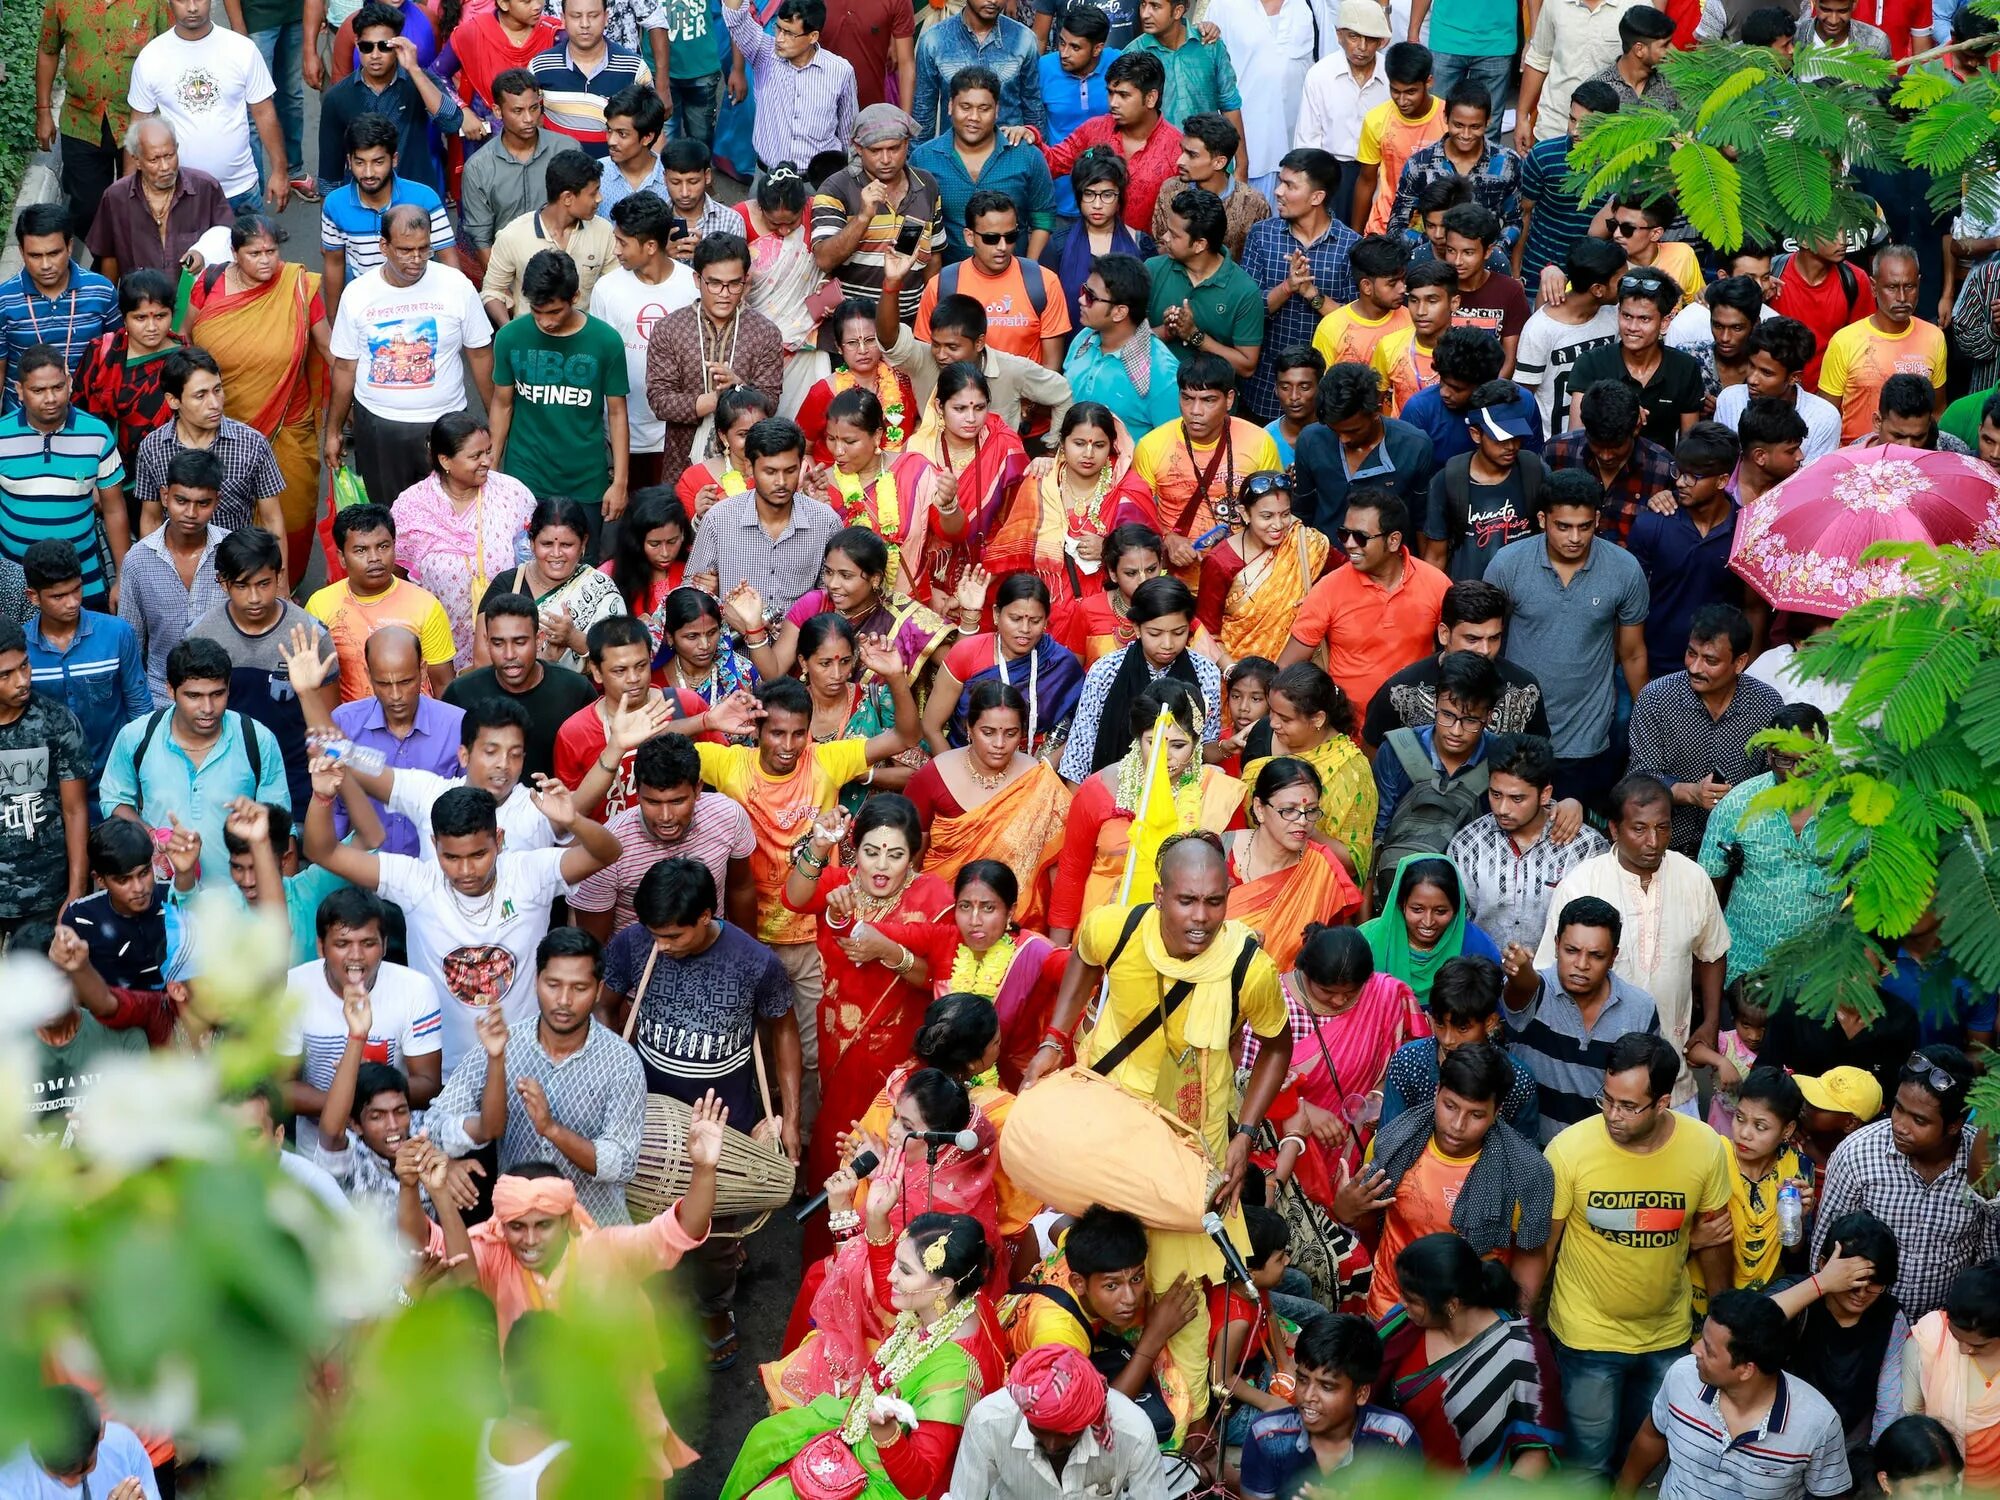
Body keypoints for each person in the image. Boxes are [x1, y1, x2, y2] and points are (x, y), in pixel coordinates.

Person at [1027, 833, 1293, 1423]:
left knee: (1183, 1293)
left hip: (1191, 1151)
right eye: (1187, 900)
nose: (1201, 918)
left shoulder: (1248, 966)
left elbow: (1278, 1046)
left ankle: (1185, 1427)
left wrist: (1246, 1134)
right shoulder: (1115, 928)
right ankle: (1071, 1403)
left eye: (1215, 902)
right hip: (1109, 1131)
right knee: (1100, 1268)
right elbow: (1083, 959)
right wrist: (1054, 1039)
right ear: (1158, 895)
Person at [420, 1109, 719, 1480]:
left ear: (566, 1219)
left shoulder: (607, 1252)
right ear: (502, 1224)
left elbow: (680, 1229)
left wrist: (704, 1170)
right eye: (517, 1227)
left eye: (543, 1225)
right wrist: (435, 1195)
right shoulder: (496, 1252)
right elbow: (460, 1268)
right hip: (535, 1431)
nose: (529, 1240)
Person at [302, 736, 622, 1061]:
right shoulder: (415, 881)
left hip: (524, 1062)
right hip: (441, 1069)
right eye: (451, 857)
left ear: (499, 840)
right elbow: (322, 852)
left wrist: (573, 821)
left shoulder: (529, 872)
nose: (466, 870)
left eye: (479, 855)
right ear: (434, 844)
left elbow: (607, 853)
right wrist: (322, 798)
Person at [598, 857, 798, 1357]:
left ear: (706, 915)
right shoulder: (633, 942)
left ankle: (713, 1308)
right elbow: (604, 1003)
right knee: (639, 1221)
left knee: (716, 1238)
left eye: (673, 936)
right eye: (654, 935)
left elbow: (784, 1029)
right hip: (646, 1118)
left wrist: (791, 1117)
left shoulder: (755, 962)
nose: (661, 946)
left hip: (726, 1127)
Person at [1541, 1033, 1735, 1476]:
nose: (1613, 1115)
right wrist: (1526, 1324)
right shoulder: (1570, 1149)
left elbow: (1717, 1238)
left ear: (1663, 1102)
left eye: (1629, 1106)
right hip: (1586, 1338)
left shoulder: (1704, 1147)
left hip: (1666, 1337)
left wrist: (1719, 1323)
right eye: (1607, 1099)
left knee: (1640, 1458)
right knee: (1587, 1466)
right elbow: (1544, 1247)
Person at [724, 1210, 999, 1500]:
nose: (892, 1276)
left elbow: (920, 1483)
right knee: (764, 1438)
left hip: (884, 1476)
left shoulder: (955, 1374)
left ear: (943, 1285)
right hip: (861, 1419)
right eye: (896, 1262)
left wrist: (887, 1435)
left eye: (905, 1271)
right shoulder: (955, 1302)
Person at [1536, 773, 1729, 1118]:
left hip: (1672, 1071)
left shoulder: (1693, 878)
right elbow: (1551, 976)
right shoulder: (1582, 884)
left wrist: (1710, 1021)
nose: (1653, 841)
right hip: (1594, 1075)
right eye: (1639, 829)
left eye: (1663, 828)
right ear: (1614, 829)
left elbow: (1712, 952)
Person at [1350, 1040, 1554, 1321]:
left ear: (1497, 1111)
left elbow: (1530, 1254)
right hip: (1390, 1313)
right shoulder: (1392, 1144)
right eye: (1450, 1106)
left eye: (1476, 1115)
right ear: (1436, 1092)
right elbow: (1369, 1224)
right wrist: (1348, 1210)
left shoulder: (1526, 1173)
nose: (1458, 1125)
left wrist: (1516, 1326)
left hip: (1470, 1326)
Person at [1482, 469, 1648, 809]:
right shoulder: (1508, 565)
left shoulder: (1624, 569)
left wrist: (1648, 721)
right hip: (1516, 730)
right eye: (1563, 526)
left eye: (1585, 527)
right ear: (1543, 520)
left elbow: (1632, 654)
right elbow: (1484, 642)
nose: (1575, 537)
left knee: (1574, 830)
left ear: (1597, 520)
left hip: (1586, 735)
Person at [181, 216, 332, 579]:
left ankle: (285, 583)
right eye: (255, 253)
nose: (266, 261)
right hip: (222, 425)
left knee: (293, 511)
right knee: (225, 510)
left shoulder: (298, 286)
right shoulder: (209, 284)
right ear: (234, 254)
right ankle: (233, 581)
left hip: (288, 425)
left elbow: (329, 350)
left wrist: (346, 410)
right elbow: (186, 341)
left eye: (271, 251)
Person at [325, 204, 497, 516]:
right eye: (405, 250)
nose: (416, 259)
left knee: (452, 515)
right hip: (379, 428)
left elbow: (481, 354)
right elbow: (345, 367)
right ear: (384, 246)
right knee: (388, 517)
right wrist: (333, 430)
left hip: (446, 425)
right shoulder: (358, 293)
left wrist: (495, 425)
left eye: (424, 249)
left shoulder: (457, 285)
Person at [1049, 678, 1243, 941]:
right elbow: (1071, 872)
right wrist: (1059, 951)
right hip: (1104, 937)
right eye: (1153, 742)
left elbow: (1229, 881)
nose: (1164, 755)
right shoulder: (1099, 790)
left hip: (1189, 939)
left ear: (1197, 743)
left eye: (1178, 745)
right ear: (1138, 738)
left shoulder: (1219, 794)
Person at [1813, 1047, 1998, 1320]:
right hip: (1864, 1324)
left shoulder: (1980, 1163)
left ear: (1954, 1124)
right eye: (1898, 1108)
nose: (1900, 1125)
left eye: (1919, 1120)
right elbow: (1823, 1253)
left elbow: (1988, 1259)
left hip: (1945, 1328)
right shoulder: (1856, 1154)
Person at [1620, 1288, 1853, 1500]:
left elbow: (1830, 1495)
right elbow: (1652, 1435)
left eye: (1708, 1349)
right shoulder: (1682, 1376)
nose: (1695, 1349)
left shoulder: (1817, 1424)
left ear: (1746, 1370)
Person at [98, 637, 288, 890]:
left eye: (217, 694)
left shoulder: (257, 739)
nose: (207, 708)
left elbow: (281, 830)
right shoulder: (136, 736)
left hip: (238, 898)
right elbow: (114, 799)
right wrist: (150, 835)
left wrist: (283, 901)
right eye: (194, 696)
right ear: (170, 690)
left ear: (229, 688)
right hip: (163, 897)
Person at [185, 530, 333, 820]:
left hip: (297, 787)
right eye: (242, 586)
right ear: (223, 582)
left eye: (264, 584)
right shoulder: (201, 637)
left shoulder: (311, 636)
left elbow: (329, 727)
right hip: (225, 790)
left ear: (279, 576)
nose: (254, 598)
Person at [1279, 489, 1448, 733]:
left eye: (1360, 537)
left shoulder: (1436, 584)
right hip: (1347, 735)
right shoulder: (1328, 589)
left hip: (1415, 734)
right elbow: (1287, 669)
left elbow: (1459, 653)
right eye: (1344, 534)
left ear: (1393, 540)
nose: (1348, 544)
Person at [278, 884, 442, 1129]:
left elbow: (428, 1084)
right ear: (321, 947)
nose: (356, 955)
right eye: (342, 944)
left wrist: (365, 1092)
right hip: (315, 1145)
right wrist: (350, 1102)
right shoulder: (292, 988)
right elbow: (281, 1088)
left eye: (367, 943)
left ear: (384, 945)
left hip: (391, 1143)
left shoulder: (416, 989)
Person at [1697, 705, 1842, 983]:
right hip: (1745, 969)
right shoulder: (1737, 805)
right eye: (1785, 760)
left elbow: (1865, 893)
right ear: (1768, 754)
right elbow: (1708, 890)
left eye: (1809, 760)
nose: (1796, 773)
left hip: (1818, 977)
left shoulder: (1850, 809)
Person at [1628, 604, 1784, 856]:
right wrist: (1690, 793)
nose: (1695, 667)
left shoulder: (1766, 704)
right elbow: (1640, 777)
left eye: (1710, 660)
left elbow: (1774, 780)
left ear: (1740, 662)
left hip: (1740, 847)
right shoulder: (1657, 698)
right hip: (1667, 847)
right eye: (1691, 654)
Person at [389, 414, 539, 672]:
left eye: (488, 451)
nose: (487, 461)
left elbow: (533, 557)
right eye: (475, 456)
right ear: (445, 460)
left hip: (506, 642)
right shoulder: (412, 507)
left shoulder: (512, 494)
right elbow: (396, 577)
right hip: (438, 643)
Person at [570, 734, 754, 942]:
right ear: (637, 791)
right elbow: (593, 941)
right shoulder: (606, 850)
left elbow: (741, 889)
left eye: (677, 801)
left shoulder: (729, 817)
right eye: (653, 802)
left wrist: (750, 954)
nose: (666, 816)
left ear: (698, 789)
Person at [642, 235, 787, 482]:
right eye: (715, 283)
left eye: (734, 284)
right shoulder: (669, 329)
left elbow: (770, 404)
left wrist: (739, 389)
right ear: (697, 279)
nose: (725, 294)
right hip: (683, 463)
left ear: (746, 282)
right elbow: (659, 401)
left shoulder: (765, 333)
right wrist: (716, 400)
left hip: (747, 466)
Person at [1447, 732, 1608, 954]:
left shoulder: (1585, 848)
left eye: (1517, 798)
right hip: (1483, 971)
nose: (1502, 809)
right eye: (1496, 794)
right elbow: (1455, 925)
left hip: (1557, 974)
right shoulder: (1467, 845)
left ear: (1545, 794)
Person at [126, 0, 290, 215]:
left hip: (241, 190)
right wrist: (128, 192)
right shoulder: (151, 58)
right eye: (182, 0)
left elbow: (264, 113)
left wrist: (280, 171)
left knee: (253, 238)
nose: (192, 7)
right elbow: (138, 128)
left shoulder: (241, 49)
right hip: (180, 195)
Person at [313, 628, 465, 859]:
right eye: (383, 683)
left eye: (405, 682)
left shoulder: (457, 726)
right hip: (364, 871)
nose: (395, 695)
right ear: (368, 675)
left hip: (433, 872)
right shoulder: (345, 723)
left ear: (423, 670)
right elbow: (336, 809)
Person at [21, 541, 150, 812]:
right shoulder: (19, 651)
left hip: (114, 783)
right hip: (46, 795)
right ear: (33, 597)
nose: (72, 603)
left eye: (77, 590)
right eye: (58, 596)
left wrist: (142, 773)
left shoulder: (117, 633)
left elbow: (139, 708)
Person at [0, 346, 130, 613]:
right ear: (20, 390)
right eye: (38, 390)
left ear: (69, 383)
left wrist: (122, 578)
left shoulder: (97, 434)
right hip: (14, 585)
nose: (50, 398)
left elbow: (114, 510)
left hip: (83, 583)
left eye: (58, 387)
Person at [950, 1345, 1168, 1500]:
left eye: (1066, 1433)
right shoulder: (988, 1422)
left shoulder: (1132, 1431)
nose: (1052, 1445)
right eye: (1040, 1429)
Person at [1238, 1314, 1419, 1499]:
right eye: (1302, 1380)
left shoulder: (1395, 1439)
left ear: (1361, 1393)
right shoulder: (1267, 1436)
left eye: (1326, 1386)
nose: (1307, 1396)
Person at [128, 348, 286, 546]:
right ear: (173, 401)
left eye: (217, 390)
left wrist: (278, 566)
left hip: (235, 560)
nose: (215, 404)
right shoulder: (153, 448)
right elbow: (152, 519)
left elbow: (272, 520)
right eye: (200, 395)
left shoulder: (252, 444)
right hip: (177, 561)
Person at [1364, 579, 1553, 743]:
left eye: (1494, 638)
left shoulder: (1523, 689)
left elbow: (1538, 759)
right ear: (1444, 634)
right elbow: (1373, 759)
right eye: (1472, 639)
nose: (1485, 650)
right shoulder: (1400, 691)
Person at [305, 504, 458, 703]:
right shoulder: (320, 605)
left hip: (416, 720)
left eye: (383, 546)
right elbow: (313, 684)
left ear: (394, 546)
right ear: (342, 558)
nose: (375, 558)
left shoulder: (426, 605)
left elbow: (443, 685)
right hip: (350, 721)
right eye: (361, 550)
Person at [808, 106, 946, 324]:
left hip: (909, 323)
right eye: (875, 150)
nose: (886, 159)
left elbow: (934, 257)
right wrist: (863, 217)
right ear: (858, 148)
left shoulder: (926, 185)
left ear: (907, 143)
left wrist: (930, 315)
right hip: (853, 327)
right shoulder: (836, 188)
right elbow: (824, 260)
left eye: (894, 148)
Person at [443, 593, 600, 782]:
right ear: (486, 642)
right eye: (498, 643)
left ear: (539, 639)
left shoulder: (576, 691)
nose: (509, 654)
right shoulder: (460, 693)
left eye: (519, 642)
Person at [1379, 953, 1541, 1133]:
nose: (1448, 1040)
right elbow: (1389, 1137)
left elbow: (1522, 1147)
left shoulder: (1517, 1080)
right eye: (1440, 1024)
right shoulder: (1407, 1062)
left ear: (1490, 1022)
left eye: (1462, 1028)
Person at [315, 2, 462, 201]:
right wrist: (332, 217)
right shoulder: (337, 97)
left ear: (398, 44)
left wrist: (414, 70)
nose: (375, 55)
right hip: (362, 204)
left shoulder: (420, 81)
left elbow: (452, 122)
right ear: (357, 44)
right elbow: (329, 174)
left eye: (384, 46)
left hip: (415, 200)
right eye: (367, 47)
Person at [911, 72, 1059, 267]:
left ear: (997, 110)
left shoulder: (1026, 156)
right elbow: (914, 221)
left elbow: (1043, 217)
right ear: (950, 106)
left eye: (984, 109)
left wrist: (1027, 268)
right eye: (965, 107)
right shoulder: (924, 158)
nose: (974, 117)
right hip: (949, 277)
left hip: (1011, 277)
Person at [317, 115, 458, 318]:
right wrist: (334, 322)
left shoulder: (425, 198)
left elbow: (448, 258)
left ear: (394, 159)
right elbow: (334, 264)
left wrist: (455, 310)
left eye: (378, 162)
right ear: (349, 161)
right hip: (365, 307)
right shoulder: (334, 204)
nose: (368, 173)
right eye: (360, 162)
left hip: (421, 304)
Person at [0, 621, 90, 933]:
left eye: (24, 666)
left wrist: (76, 891)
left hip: (46, 895)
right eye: (5, 675)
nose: (22, 681)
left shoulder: (57, 723)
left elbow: (75, 810)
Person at [116, 451, 225, 706]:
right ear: (165, 496)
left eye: (203, 503)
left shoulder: (231, 552)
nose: (191, 513)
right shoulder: (138, 560)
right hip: (159, 697)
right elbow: (131, 644)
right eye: (181, 501)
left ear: (217, 501)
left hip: (223, 696)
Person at [1194, 470, 1329, 665]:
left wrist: (1320, 597)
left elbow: (1347, 577)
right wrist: (1233, 672)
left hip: (1297, 671)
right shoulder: (1220, 562)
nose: (1278, 525)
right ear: (1244, 513)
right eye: (1267, 516)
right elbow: (1206, 632)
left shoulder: (1304, 541)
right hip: (1239, 670)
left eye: (1285, 514)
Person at [916, 196, 1068, 368]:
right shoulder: (941, 286)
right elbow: (926, 358)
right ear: (969, 237)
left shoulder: (1044, 282)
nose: (1002, 246)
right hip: (960, 384)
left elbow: (1051, 368)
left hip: (1024, 386)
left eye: (1010, 236)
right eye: (991, 238)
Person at [1566, 269, 1705, 450]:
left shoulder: (1684, 368)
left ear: (1664, 322)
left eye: (1644, 319)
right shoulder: (1591, 363)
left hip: (1662, 466)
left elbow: (1688, 446)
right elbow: (1576, 440)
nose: (1632, 327)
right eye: (1627, 316)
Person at [1820, 246, 1947, 443]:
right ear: (1873, 286)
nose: (1902, 297)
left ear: (1919, 283)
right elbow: (1826, 417)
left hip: (1912, 456)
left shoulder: (1934, 337)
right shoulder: (1844, 341)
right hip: (1857, 456)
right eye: (1892, 287)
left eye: (1910, 286)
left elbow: (1937, 411)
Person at [85, 120, 233, 287]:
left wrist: (203, 255)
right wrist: (109, 300)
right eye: (154, 160)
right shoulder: (115, 198)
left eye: (169, 156)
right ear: (137, 161)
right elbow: (108, 257)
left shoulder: (206, 188)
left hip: (195, 298)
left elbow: (228, 240)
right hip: (141, 300)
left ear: (177, 148)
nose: (165, 167)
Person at [71, 272, 184, 488]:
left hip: (163, 476)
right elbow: (78, 412)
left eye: (160, 316)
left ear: (172, 314)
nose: (151, 327)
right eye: (140, 318)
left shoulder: (184, 363)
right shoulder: (102, 353)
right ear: (124, 317)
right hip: (98, 470)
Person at [721, 0, 859, 175]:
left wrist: (848, 179)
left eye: (789, 33)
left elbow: (848, 133)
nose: (779, 39)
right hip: (768, 178)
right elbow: (734, 16)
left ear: (813, 36)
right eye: (778, 28)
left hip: (817, 183)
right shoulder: (764, 54)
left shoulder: (841, 71)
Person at [481, 151, 617, 324]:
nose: (599, 199)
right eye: (593, 193)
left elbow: (615, 286)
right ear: (567, 198)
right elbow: (493, 291)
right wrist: (510, 330)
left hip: (584, 336)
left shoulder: (604, 231)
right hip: (531, 337)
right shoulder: (512, 235)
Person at [1514, 237, 1625, 438]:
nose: (1627, 285)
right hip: (1553, 443)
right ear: (1598, 289)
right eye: (1621, 281)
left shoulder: (1615, 315)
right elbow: (1523, 396)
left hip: (1602, 439)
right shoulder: (1540, 329)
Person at [458, 72, 564, 282]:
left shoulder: (565, 150)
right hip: (507, 272)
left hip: (563, 270)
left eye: (534, 108)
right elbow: (481, 239)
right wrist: (503, 287)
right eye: (518, 111)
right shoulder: (478, 167)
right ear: (497, 111)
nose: (529, 119)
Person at [527, 0, 657, 158]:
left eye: (593, 16)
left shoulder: (634, 68)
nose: (585, 24)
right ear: (563, 18)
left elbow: (653, 128)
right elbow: (532, 122)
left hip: (618, 170)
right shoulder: (540, 67)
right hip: (558, 170)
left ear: (606, 17)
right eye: (576, 16)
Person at [796, 302, 920, 467]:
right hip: (838, 479)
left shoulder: (903, 380)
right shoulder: (823, 392)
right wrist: (818, 476)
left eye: (870, 340)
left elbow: (923, 421)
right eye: (852, 343)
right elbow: (802, 448)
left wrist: (914, 443)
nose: (862, 350)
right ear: (839, 347)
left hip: (898, 475)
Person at [911, 0, 1048, 142]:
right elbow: (923, 112)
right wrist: (917, 155)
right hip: (953, 152)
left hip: (1010, 150)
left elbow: (1033, 107)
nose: (993, 1)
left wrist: (1039, 148)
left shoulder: (1023, 39)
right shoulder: (934, 40)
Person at [0, 1385, 161, 1500]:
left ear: (101, 1432)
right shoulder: (9, 1481)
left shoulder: (123, 1445)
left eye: (84, 1470)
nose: (71, 1483)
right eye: (57, 1474)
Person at [1716, 316, 1842, 462]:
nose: (1752, 379)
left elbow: (1814, 474)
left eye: (1766, 373)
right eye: (1751, 365)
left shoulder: (1823, 418)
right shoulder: (1729, 400)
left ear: (1794, 377)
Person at [596, 84, 670, 216]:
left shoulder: (672, 179)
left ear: (647, 138)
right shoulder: (594, 174)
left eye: (622, 134)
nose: (611, 141)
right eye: (609, 130)